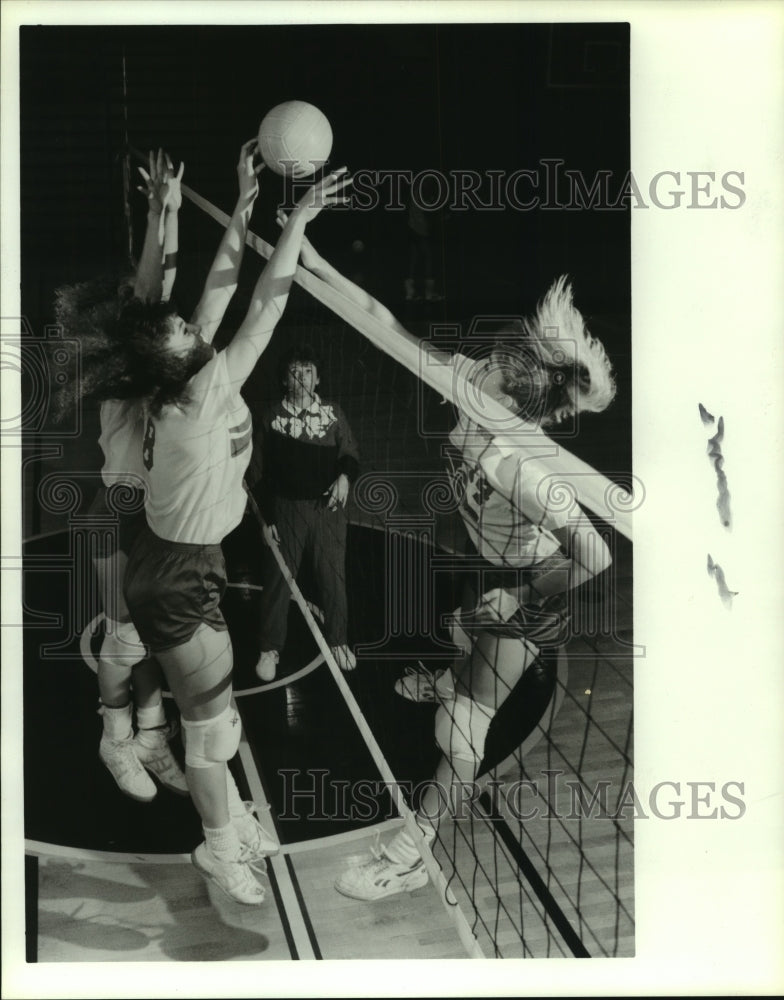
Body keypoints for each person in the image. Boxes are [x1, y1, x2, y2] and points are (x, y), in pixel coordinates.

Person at [274, 231, 616, 900]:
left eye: (491, 380)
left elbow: (595, 555)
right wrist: (317, 262)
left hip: (534, 592)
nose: (474, 379)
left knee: (459, 730)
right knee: (464, 638)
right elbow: (385, 325)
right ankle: (453, 673)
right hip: (493, 567)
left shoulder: (527, 472)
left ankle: (409, 854)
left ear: (512, 407)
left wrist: (519, 598)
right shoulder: (478, 386)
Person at [118, 145, 351, 907]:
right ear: (183, 362)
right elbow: (264, 309)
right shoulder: (202, 397)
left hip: (182, 559)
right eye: (183, 332)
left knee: (214, 722)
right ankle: (219, 845)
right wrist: (300, 219)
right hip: (176, 575)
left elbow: (218, 296)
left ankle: (229, 821)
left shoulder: (176, 381)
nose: (192, 327)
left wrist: (246, 200)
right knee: (212, 730)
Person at [54, 149, 187, 803]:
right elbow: (150, 291)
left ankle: (153, 737)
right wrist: (158, 213)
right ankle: (116, 739)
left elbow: (165, 289)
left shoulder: (159, 360)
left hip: (159, 516)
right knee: (127, 637)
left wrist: (173, 210)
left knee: (156, 637)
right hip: (118, 513)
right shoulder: (121, 372)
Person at [250, 341, 360, 681]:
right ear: (284, 379)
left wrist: (344, 477)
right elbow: (257, 473)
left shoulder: (333, 413)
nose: (301, 378)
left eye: (308, 372)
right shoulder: (271, 418)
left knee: (333, 579)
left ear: (318, 379)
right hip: (286, 511)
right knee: (278, 581)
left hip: (327, 510)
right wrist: (267, 518)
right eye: (294, 372)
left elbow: (350, 454)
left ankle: (338, 640)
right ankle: (269, 648)